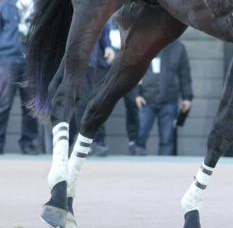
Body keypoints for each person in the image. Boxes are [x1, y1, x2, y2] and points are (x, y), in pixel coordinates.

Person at [0, 0, 39, 154]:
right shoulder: (5, 6)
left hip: (31, 62)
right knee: (3, 104)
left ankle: (28, 144)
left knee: (30, 106)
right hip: (7, 60)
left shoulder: (41, 7)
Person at [134, 40, 193, 155]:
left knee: (167, 140)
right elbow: (135, 71)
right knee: (139, 137)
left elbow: (184, 74)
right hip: (145, 101)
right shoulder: (145, 44)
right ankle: (136, 169)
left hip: (169, 101)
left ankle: (165, 171)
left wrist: (187, 97)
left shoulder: (179, 48)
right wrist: (137, 94)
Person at [69, 24, 114, 156]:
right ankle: (79, 143)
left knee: (86, 101)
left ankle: (82, 142)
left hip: (90, 60)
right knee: (79, 101)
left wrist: (107, 46)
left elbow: (102, 26)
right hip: (74, 58)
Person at [108, 20, 140, 155]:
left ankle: (134, 142)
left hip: (127, 70)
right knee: (98, 104)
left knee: (133, 105)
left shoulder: (130, 23)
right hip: (107, 72)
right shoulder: (107, 24)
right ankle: (97, 141)